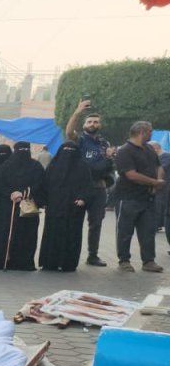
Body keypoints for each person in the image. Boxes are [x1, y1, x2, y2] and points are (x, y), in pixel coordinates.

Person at [65, 100, 114, 266]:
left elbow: (109, 166)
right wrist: (77, 112)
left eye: (96, 122)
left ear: (100, 125)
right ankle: (70, 253)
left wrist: (109, 158)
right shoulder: (79, 140)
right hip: (79, 188)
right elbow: (69, 131)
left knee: (96, 223)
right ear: (84, 124)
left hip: (98, 189)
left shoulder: (104, 143)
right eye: (90, 121)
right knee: (74, 221)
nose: (93, 124)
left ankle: (92, 255)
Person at [112, 121, 165, 272]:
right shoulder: (125, 151)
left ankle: (148, 261)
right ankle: (124, 260)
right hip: (127, 197)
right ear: (142, 132)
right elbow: (131, 175)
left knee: (148, 230)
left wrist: (158, 181)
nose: (151, 134)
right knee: (125, 230)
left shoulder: (149, 149)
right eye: (150, 131)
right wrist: (154, 182)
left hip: (147, 198)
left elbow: (158, 166)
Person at [0, 141, 46, 271]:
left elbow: (40, 183)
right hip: (9, 206)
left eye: (25, 149)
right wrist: (11, 193)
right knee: (7, 233)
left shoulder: (36, 166)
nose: (23, 152)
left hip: (28, 206)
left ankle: (25, 262)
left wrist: (23, 193)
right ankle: (6, 260)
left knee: (28, 234)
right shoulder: (6, 166)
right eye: (20, 150)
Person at [38, 142, 91, 272]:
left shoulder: (83, 167)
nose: (68, 152)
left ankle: (68, 263)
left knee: (71, 234)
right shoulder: (53, 166)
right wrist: (43, 201)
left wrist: (83, 198)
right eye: (65, 149)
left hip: (74, 208)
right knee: (52, 233)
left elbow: (88, 185)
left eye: (71, 149)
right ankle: (50, 262)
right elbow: (45, 185)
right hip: (54, 206)